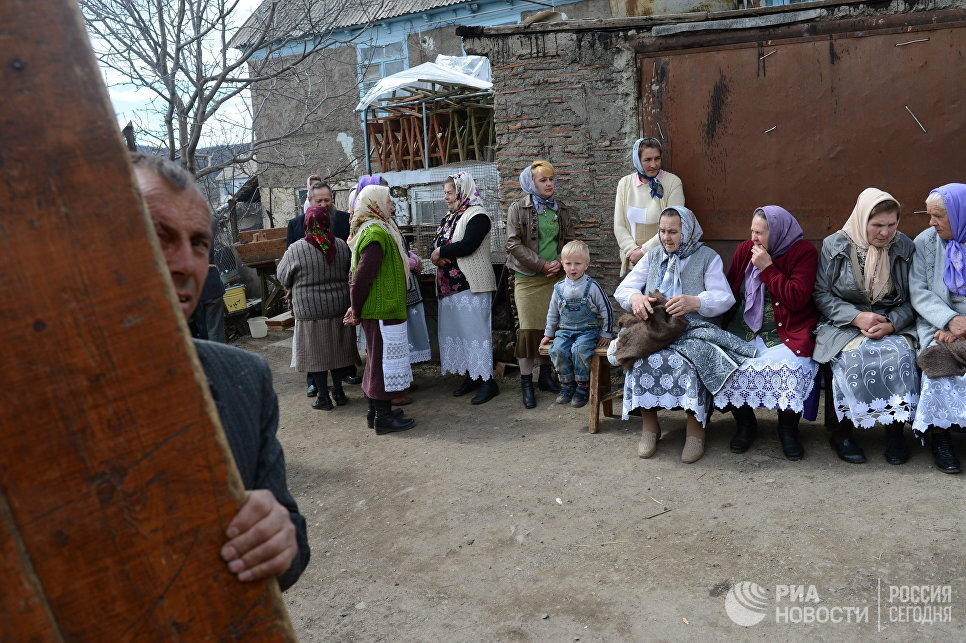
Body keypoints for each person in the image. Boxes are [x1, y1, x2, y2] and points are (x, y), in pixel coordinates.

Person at [131, 152, 308, 590]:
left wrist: (280, 538)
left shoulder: (245, 378)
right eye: (160, 235)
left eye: (198, 243)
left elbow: (291, 539)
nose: (187, 264)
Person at [615, 206, 745, 464]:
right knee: (638, 356)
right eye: (662, 231)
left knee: (691, 362)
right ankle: (650, 427)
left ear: (687, 231)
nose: (666, 238)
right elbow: (625, 288)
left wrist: (695, 301)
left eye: (673, 232)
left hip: (693, 327)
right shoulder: (653, 256)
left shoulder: (707, 257)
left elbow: (724, 298)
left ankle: (695, 430)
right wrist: (636, 297)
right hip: (657, 327)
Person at [813, 189, 918, 465]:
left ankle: (895, 431)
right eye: (877, 225)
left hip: (890, 321)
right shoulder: (834, 245)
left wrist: (893, 324)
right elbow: (822, 294)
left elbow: (914, 298)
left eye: (891, 225)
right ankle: (842, 433)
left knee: (901, 356)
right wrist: (856, 317)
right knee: (850, 359)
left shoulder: (904, 247)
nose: (885, 233)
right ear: (862, 220)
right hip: (845, 323)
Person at [715, 206, 820, 460]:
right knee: (719, 362)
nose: (753, 238)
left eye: (760, 233)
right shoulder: (744, 250)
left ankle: (787, 429)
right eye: (752, 231)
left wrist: (768, 268)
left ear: (778, 232)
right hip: (744, 330)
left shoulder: (803, 252)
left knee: (793, 366)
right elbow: (730, 292)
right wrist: (718, 330)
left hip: (788, 331)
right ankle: (745, 423)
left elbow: (797, 298)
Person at [344, 185, 416, 433]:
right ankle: (382, 419)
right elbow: (361, 278)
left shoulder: (377, 229)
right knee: (381, 363)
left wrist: (356, 307)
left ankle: (376, 411)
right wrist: (355, 307)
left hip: (381, 309)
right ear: (374, 204)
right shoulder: (375, 234)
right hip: (381, 309)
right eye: (388, 201)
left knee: (378, 361)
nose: (392, 206)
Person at [506, 160, 574, 408]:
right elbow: (513, 244)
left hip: (554, 279)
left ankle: (546, 376)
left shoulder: (560, 209)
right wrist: (541, 264)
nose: (549, 184)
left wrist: (558, 261)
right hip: (527, 278)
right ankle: (526, 382)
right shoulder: (517, 208)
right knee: (527, 331)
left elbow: (569, 241)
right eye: (543, 180)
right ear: (531, 183)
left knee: (550, 329)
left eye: (551, 179)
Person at [277, 205, 357, 411]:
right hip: (339, 306)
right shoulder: (340, 245)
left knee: (316, 354)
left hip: (310, 311)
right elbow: (351, 270)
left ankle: (323, 397)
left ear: (306, 224)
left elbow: (282, 276)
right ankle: (339, 391)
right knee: (337, 350)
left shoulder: (296, 249)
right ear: (328, 223)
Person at [910, 183, 966, 474]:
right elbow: (919, 291)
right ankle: (940, 437)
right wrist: (948, 321)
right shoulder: (925, 242)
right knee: (936, 364)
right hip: (938, 322)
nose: (931, 222)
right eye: (929, 215)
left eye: (939, 216)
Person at [431, 171, 500, 404]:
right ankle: (472, 376)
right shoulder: (451, 217)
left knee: (476, 334)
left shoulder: (478, 215)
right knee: (460, 334)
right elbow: (436, 244)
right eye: (445, 193)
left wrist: (441, 252)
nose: (446, 197)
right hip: (449, 286)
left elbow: (468, 245)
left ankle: (488, 382)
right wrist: (437, 254)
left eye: (449, 193)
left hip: (471, 285)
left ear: (462, 190)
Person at [540, 240, 613, 408]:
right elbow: (552, 314)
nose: (573, 268)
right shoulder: (558, 288)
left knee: (579, 350)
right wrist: (548, 334)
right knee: (557, 350)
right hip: (564, 331)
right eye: (568, 263)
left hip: (587, 331)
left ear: (586, 265)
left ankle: (582, 385)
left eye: (578, 264)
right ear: (562, 264)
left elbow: (606, 309)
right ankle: (566, 385)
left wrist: (606, 333)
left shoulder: (592, 286)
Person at [613, 137, 685, 277]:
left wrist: (643, 252)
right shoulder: (625, 184)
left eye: (657, 158)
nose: (654, 164)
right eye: (647, 160)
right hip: (632, 261)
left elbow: (673, 225)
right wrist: (632, 250)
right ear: (637, 161)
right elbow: (619, 225)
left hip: (662, 258)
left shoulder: (672, 183)